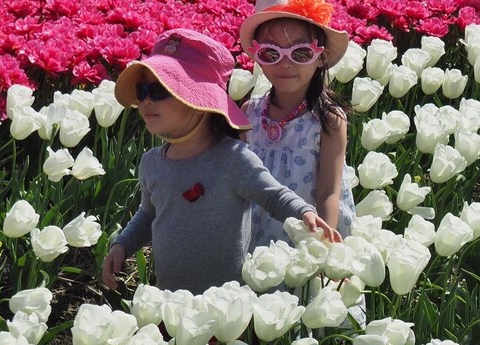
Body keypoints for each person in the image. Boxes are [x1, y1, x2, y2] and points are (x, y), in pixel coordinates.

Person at [101, 28, 341, 295]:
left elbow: (273, 196)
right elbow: (148, 214)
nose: (145, 100)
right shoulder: (152, 163)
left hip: (226, 305)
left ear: (198, 101)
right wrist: (122, 245)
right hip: (170, 301)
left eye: (159, 90)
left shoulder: (233, 159)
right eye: (141, 90)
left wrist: (304, 212)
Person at [239, 0, 364, 324]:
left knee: (307, 308)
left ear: (320, 56)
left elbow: (329, 191)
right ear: (256, 55)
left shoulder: (328, 120)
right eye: (271, 53)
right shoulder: (247, 113)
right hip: (258, 229)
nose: (285, 64)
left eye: (300, 53)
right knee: (261, 315)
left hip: (311, 229)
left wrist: (324, 247)